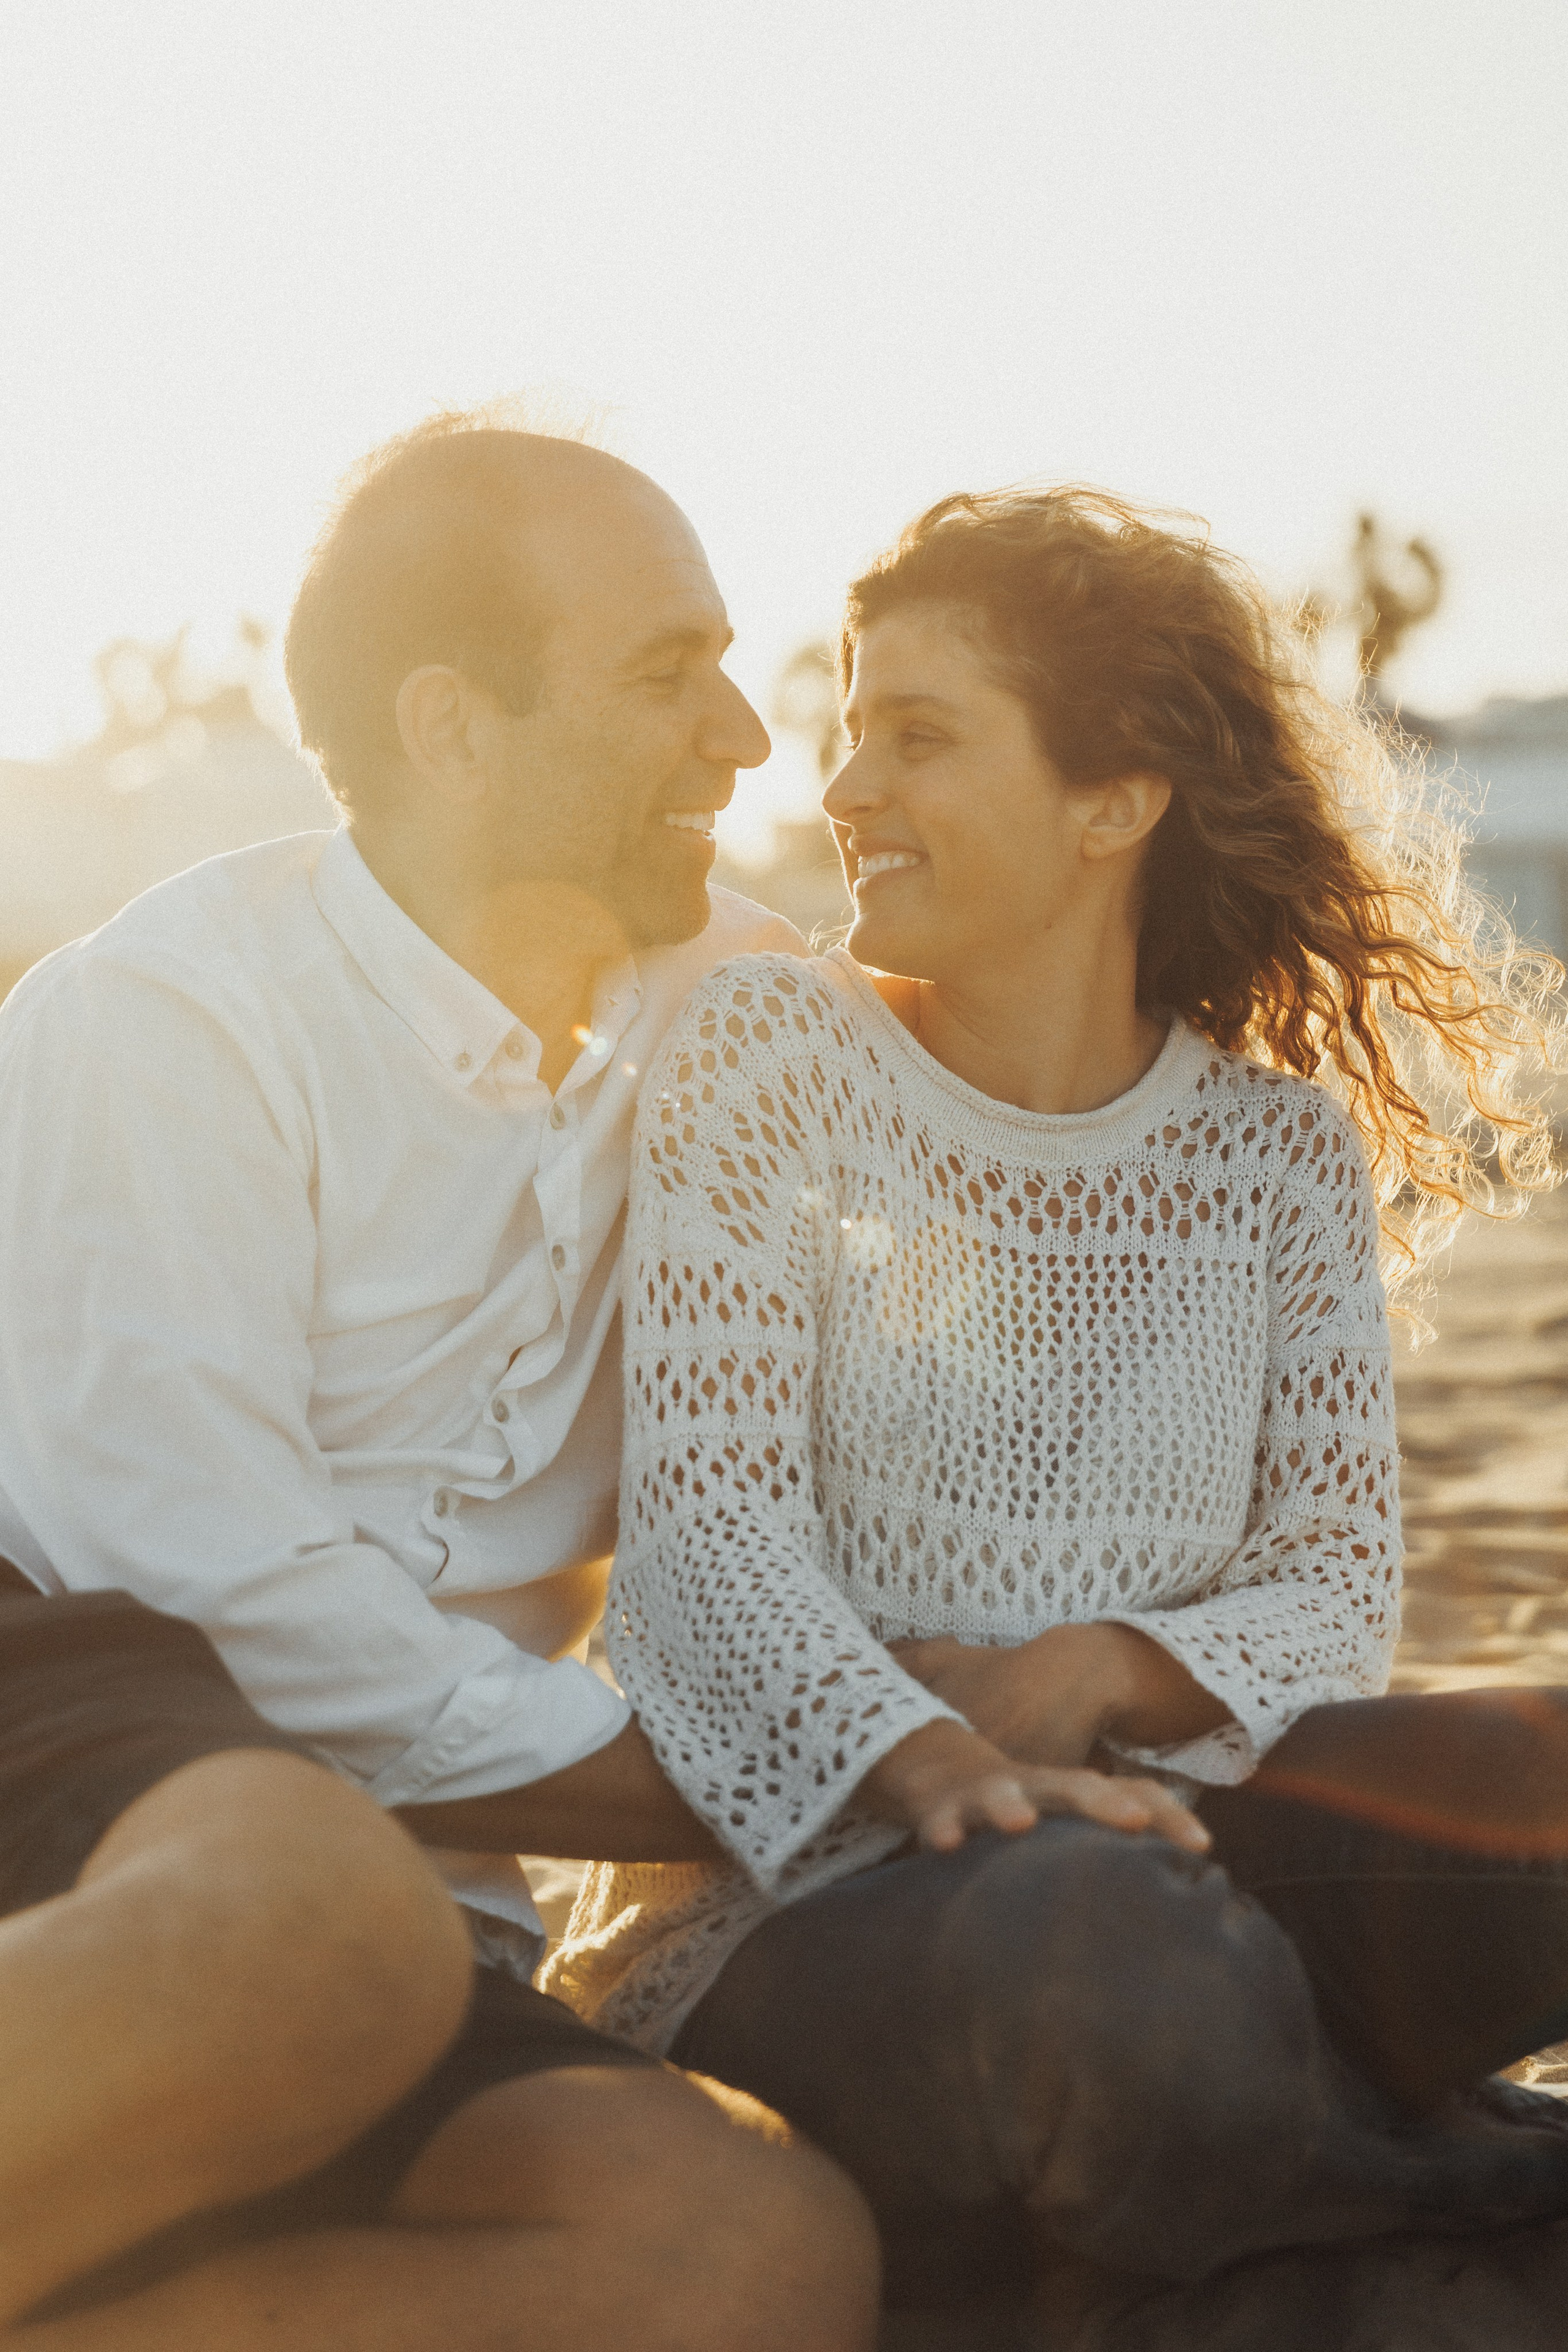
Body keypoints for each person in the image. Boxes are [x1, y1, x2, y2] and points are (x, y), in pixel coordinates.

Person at [546, 484, 1568, 2336]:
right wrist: (960, 1758)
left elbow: (1334, 1590)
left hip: (1197, 1868)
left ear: (1115, 803)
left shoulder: (1275, 1156)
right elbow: (708, 1555)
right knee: (1099, 1949)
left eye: (916, 736)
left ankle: (1222, 2203)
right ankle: (1449, 2181)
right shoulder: (770, 1058)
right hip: (824, 1918)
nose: (846, 788)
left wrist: (1084, 1672)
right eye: (852, 729)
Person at [0, 415, 878, 2351]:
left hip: (433, 1887)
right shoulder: (173, 1024)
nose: (747, 739)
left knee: (743, 2253)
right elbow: (214, 1597)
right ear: (453, 730)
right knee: (320, 1942)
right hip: (61, 1710)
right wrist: (769, 1780)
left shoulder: (740, 1008)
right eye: (667, 674)